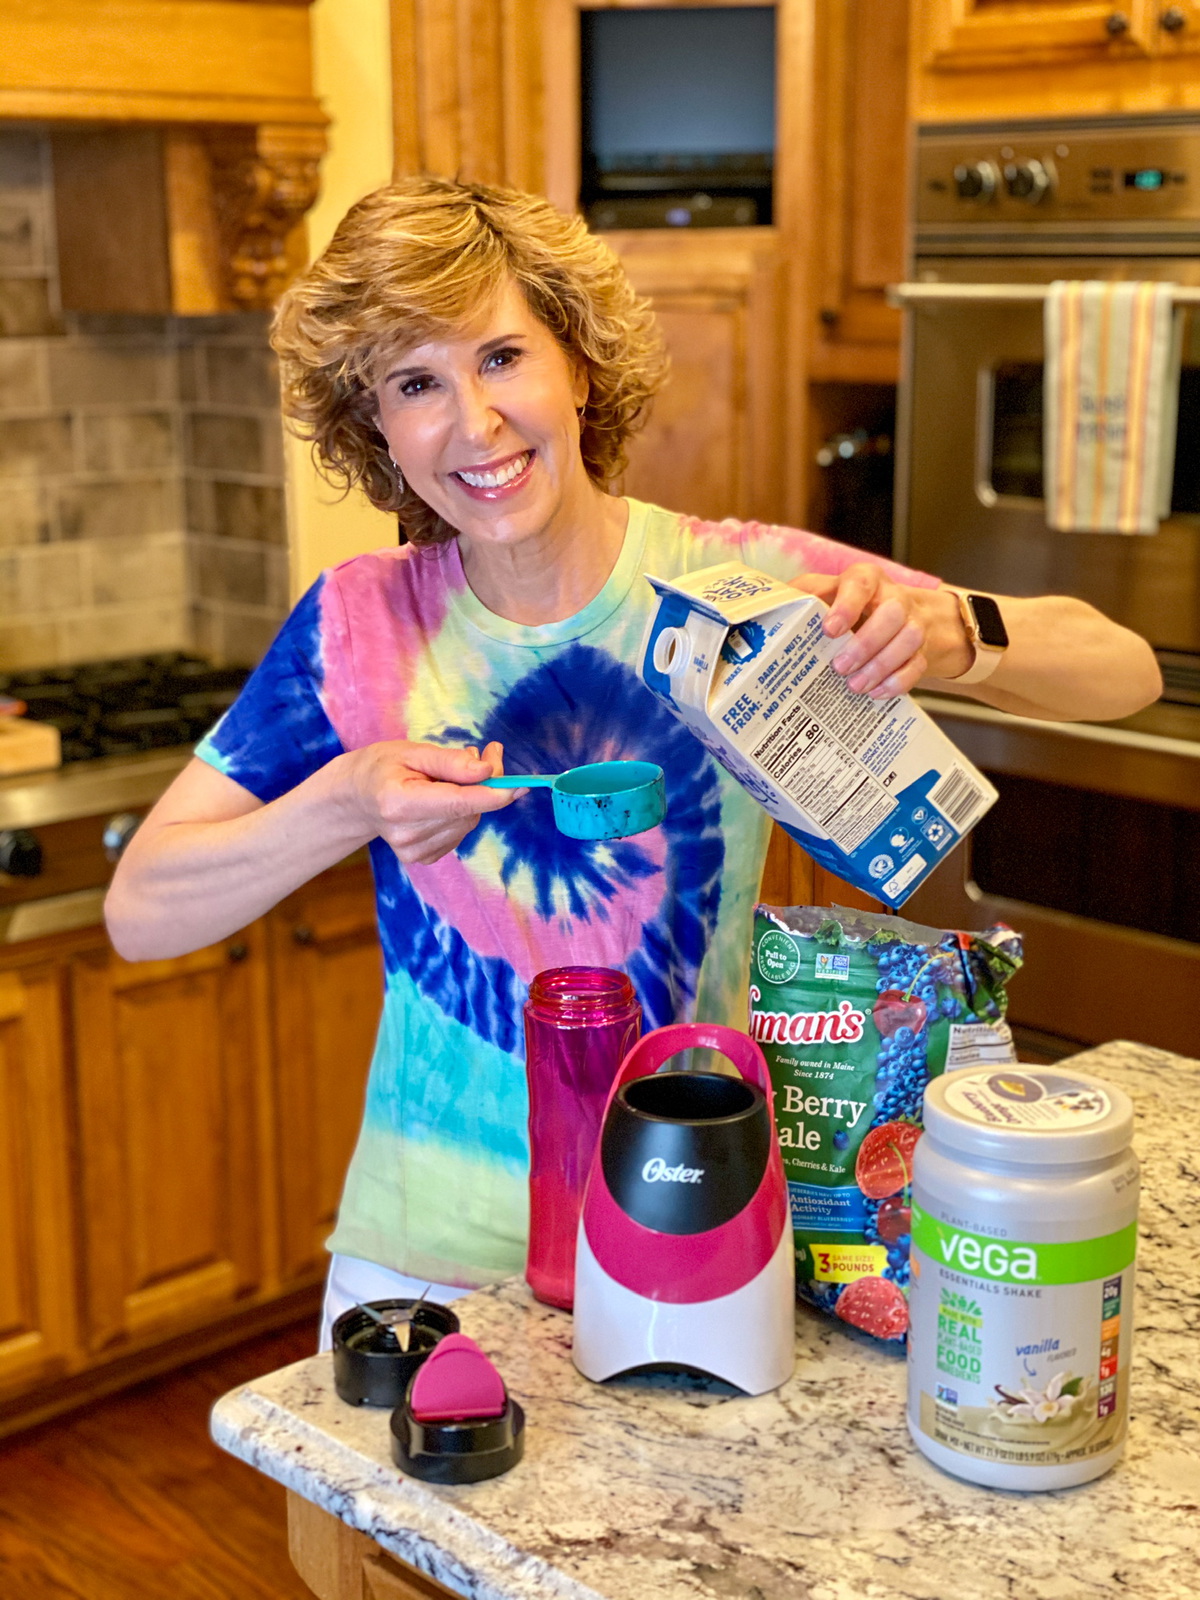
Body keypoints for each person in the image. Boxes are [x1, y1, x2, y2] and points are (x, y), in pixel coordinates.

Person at [104, 178, 1162, 1342]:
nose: (474, 423)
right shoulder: (358, 623)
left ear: (579, 363)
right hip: (424, 1265)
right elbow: (140, 910)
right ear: (377, 429)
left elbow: (1125, 669)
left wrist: (958, 631)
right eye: (417, 383)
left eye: (503, 356)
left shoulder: (740, 587)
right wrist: (346, 798)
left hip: (686, 1229)